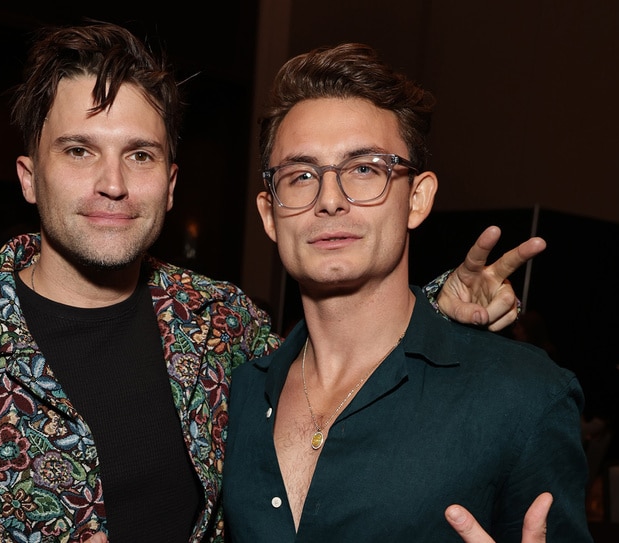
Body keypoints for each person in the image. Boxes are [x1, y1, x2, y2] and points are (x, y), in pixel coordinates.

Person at [0, 23, 539, 543]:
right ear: (27, 176)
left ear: (171, 183)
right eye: (79, 150)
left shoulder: (218, 322)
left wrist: (435, 302)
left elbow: (336, 372)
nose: (112, 183)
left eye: (140, 155)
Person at [221, 42, 591, 542]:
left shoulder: (522, 397)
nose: (330, 199)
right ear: (270, 213)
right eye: (301, 175)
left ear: (417, 199)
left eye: (365, 169)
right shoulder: (237, 394)